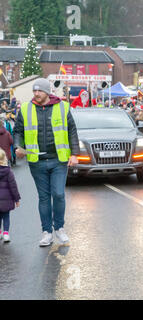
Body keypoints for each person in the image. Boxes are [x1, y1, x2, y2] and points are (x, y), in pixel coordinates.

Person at [13, 78, 80, 247]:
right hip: (37, 161)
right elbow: (18, 131)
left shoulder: (63, 107)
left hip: (58, 160)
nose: (36, 94)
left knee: (58, 194)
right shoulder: (26, 108)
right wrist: (17, 147)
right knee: (44, 198)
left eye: (39, 91)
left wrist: (74, 153)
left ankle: (59, 228)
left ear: (47, 92)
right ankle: (47, 232)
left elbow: (72, 130)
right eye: (34, 91)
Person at [0, 149, 20, 243]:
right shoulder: (8, 172)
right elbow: (13, 186)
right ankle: (6, 234)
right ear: (5, 159)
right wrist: (17, 199)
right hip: (6, 200)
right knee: (6, 216)